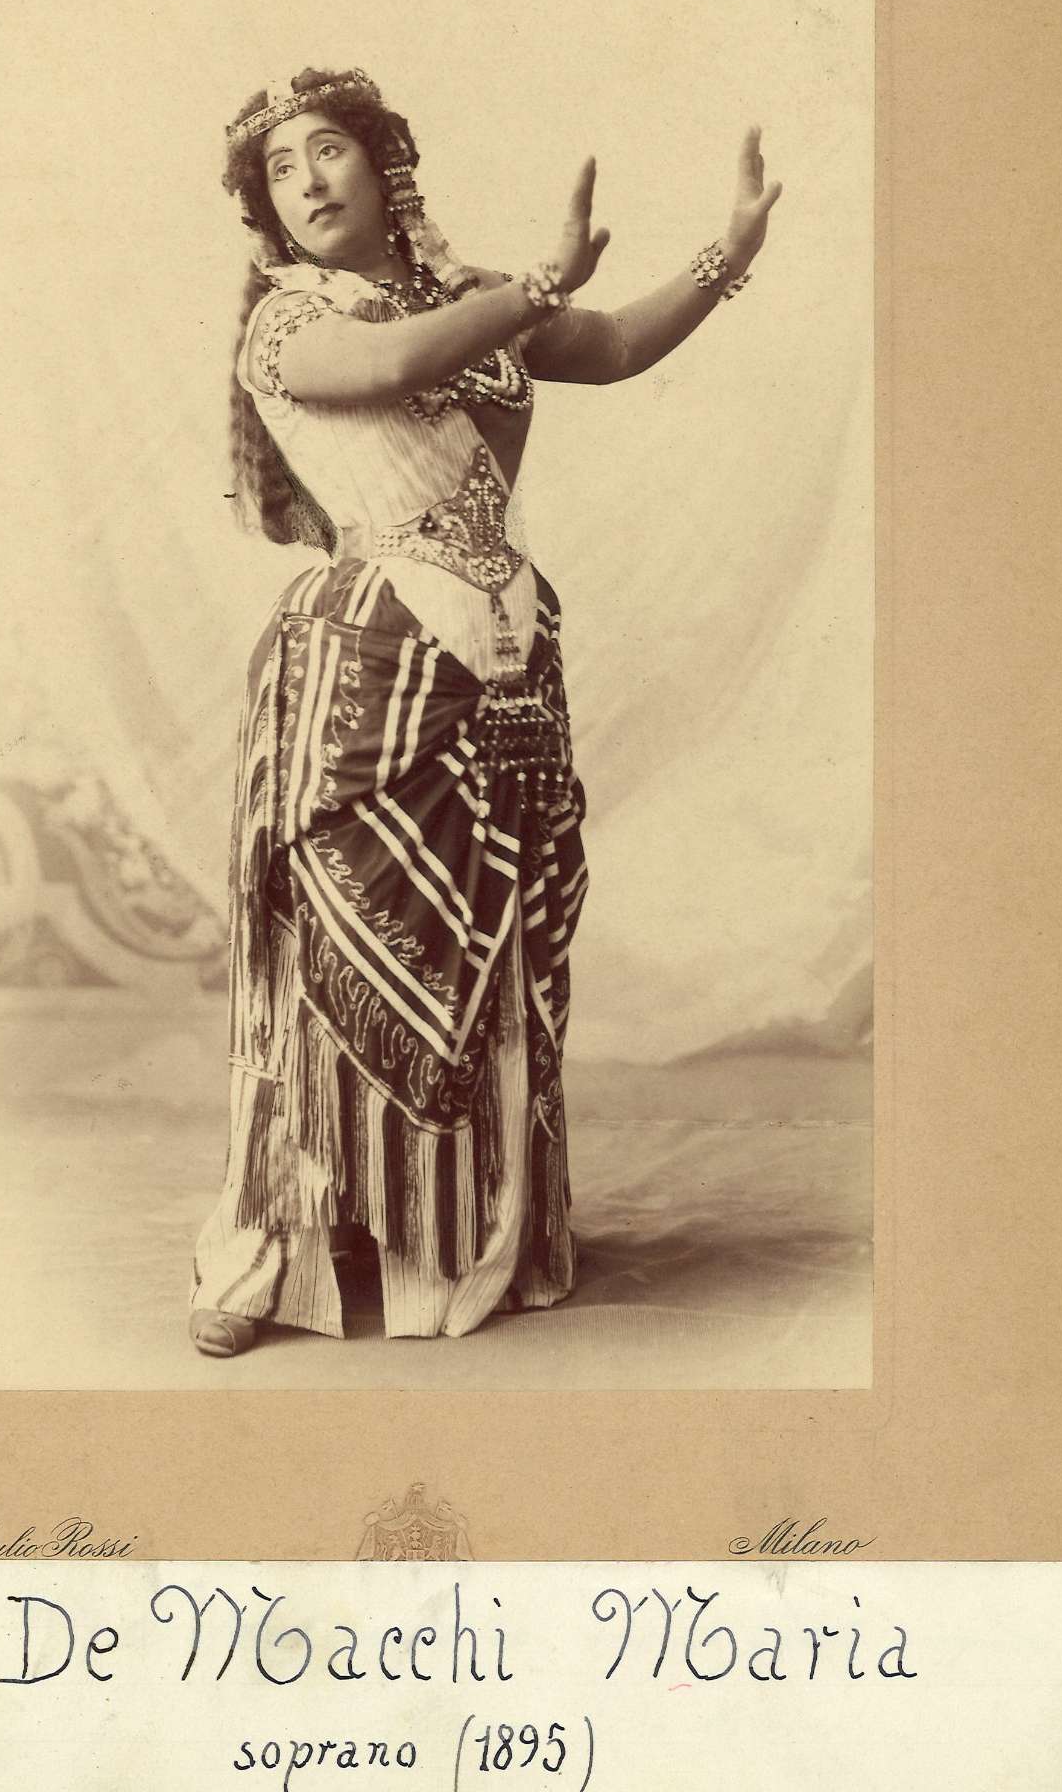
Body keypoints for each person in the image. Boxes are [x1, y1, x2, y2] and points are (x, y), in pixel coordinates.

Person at [188, 67, 781, 1355]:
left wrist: (725, 256)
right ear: (266, 212)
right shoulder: (287, 327)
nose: (307, 182)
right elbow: (397, 362)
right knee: (333, 960)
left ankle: (455, 1239)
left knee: (493, 951)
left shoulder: (472, 297)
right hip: (367, 670)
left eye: (328, 150)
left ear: (383, 164)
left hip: (504, 660)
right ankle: (271, 1258)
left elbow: (609, 346)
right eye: (280, 171)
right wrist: (536, 289)